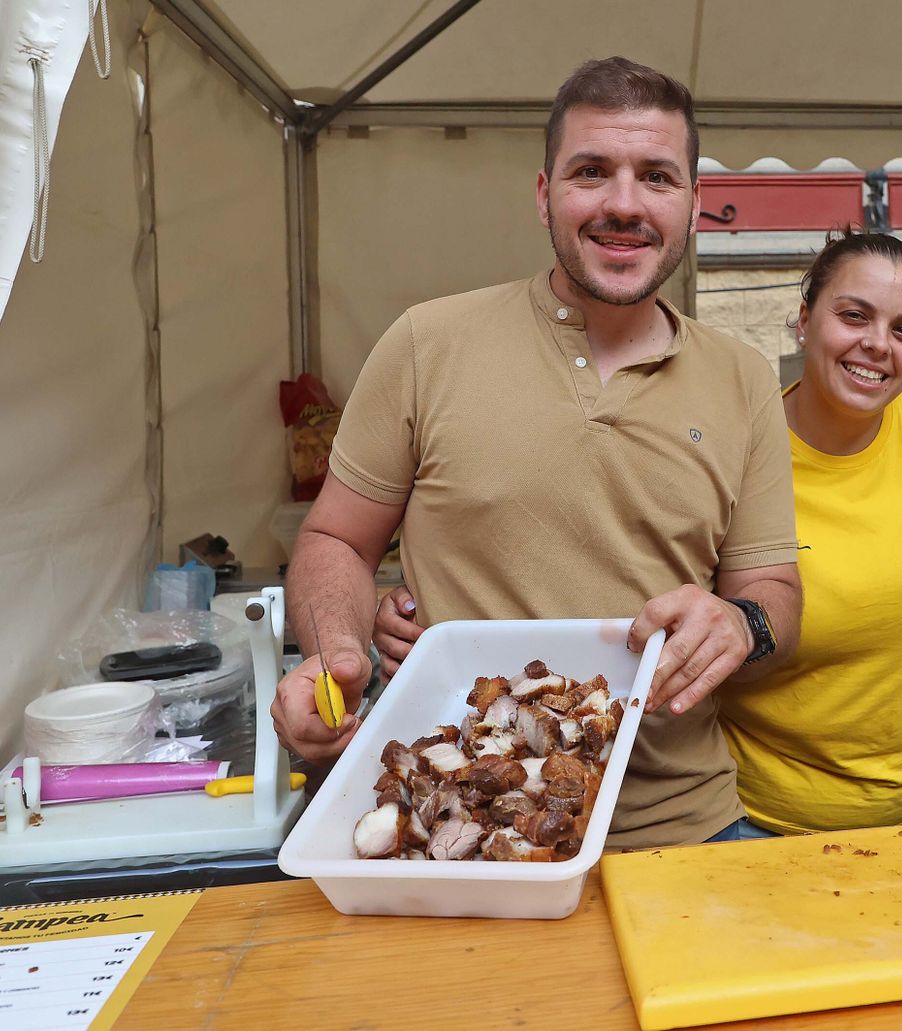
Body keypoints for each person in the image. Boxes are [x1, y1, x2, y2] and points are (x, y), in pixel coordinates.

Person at [376, 229, 902, 838]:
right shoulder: (738, 446)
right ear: (802, 321)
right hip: (763, 822)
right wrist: (434, 605)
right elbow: (611, 567)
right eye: (853, 315)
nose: (878, 344)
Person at [271, 56, 803, 850]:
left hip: (683, 827)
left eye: (657, 177)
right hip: (458, 824)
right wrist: (335, 652)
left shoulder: (744, 377)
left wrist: (742, 621)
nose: (624, 204)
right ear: (544, 193)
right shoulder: (426, 343)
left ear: (694, 206)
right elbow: (335, 539)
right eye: (592, 171)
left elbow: (775, 595)